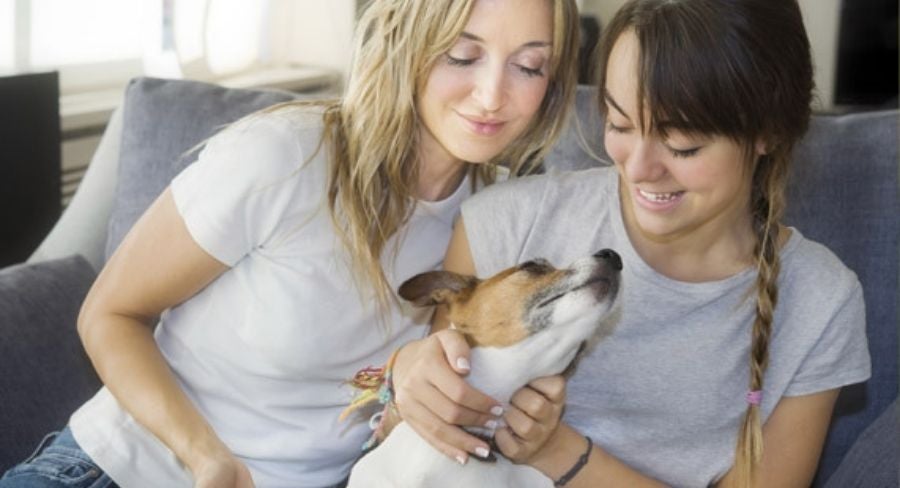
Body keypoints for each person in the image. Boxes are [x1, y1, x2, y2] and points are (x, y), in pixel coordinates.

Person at [0, 1, 580, 487]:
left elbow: (406, 414)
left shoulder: (500, 220)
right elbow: (108, 313)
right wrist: (207, 457)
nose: (492, 95)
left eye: (529, 66)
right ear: (409, 43)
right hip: (122, 469)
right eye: (463, 55)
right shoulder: (285, 156)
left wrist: (526, 420)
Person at [390, 0, 872, 487]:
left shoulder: (818, 301)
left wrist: (561, 453)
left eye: (682, 143)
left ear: (768, 131)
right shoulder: (507, 223)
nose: (639, 168)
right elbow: (410, 445)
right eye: (619, 125)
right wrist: (403, 380)